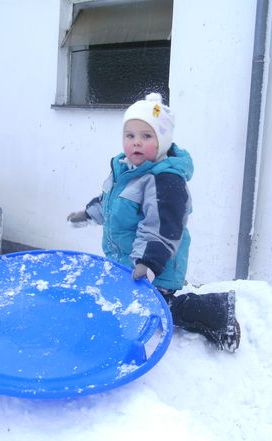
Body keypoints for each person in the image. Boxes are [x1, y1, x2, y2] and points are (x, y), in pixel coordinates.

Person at [67, 93, 240, 351]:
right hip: (128, 261)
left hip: (158, 264)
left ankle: (216, 313)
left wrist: (148, 263)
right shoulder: (124, 169)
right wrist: (90, 213)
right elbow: (112, 203)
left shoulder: (165, 180)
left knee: (159, 306)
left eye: (146, 137)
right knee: (123, 301)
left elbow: (163, 229)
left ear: (162, 142)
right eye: (130, 135)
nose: (136, 143)